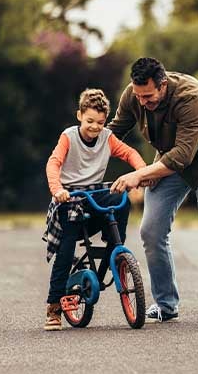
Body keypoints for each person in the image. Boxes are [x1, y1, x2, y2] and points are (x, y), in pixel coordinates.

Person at [108, 57, 198, 325]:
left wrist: (140, 174)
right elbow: (113, 133)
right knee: (151, 230)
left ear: (163, 85)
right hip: (169, 161)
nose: (143, 102)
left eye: (149, 96)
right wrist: (79, 148)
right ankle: (166, 305)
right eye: (139, 96)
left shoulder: (191, 95)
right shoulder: (134, 95)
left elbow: (182, 156)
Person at [42, 88, 147, 331]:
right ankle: (54, 307)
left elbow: (129, 153)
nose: (95, 127)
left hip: (95, 192)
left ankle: (116, 250)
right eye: (90, 121)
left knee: (120, 197)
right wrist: (57, 189)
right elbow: (54, 162)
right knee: (66, 250)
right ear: (79, 115)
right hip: (70, 196)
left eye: (100, 122)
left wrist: (141, 174)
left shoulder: (107, 137)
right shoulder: (68, 137)